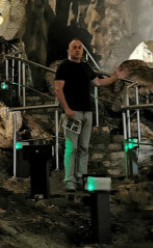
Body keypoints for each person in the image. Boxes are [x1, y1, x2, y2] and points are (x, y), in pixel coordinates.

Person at [54, 39, 123, 192]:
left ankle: (82, 179)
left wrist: (115, 77)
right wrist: (67, 109)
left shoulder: (85, 66)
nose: (78, 50)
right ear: (68, 50)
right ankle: (69, 181)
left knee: (84, 147)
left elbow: (98, 82)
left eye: (80, 48)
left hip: (87, 112)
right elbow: (58, 89)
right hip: (73, 112)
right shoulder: (64, 67)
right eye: (74, 48)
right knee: (71, 147)